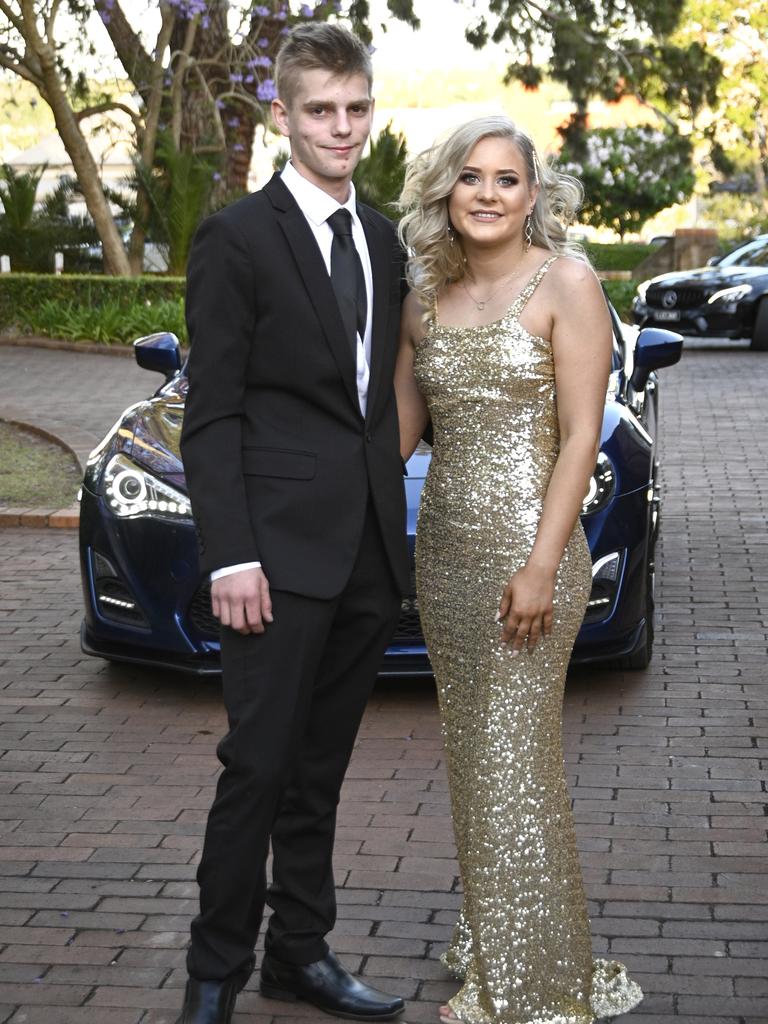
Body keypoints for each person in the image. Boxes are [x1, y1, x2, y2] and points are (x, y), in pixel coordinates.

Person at [178, 23, 409, 1024]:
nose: (342, 127)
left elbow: (380, 398)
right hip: (270, 553)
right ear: (283, 114)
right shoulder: (237, 238)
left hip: (367, 550)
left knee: (320, 771)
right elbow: (212, 411)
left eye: (356, 107)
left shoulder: (387, 237)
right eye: (320, 109)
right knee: (257, 770)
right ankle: (214, 971)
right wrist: (229, 550)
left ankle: (299, 955)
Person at [394, 115, 644, 1024]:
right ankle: (498, 936)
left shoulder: (566, 284)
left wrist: (541, 563)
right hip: (447, 561)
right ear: (446, 194)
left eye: (507, 178)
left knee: (516, 761)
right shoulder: (423, 298)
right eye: (471, 178)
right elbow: (398, 435)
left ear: (534, 195)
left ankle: (534, 984)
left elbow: (582, 436)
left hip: (531, 561)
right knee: (473, 757)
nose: (488, 194)